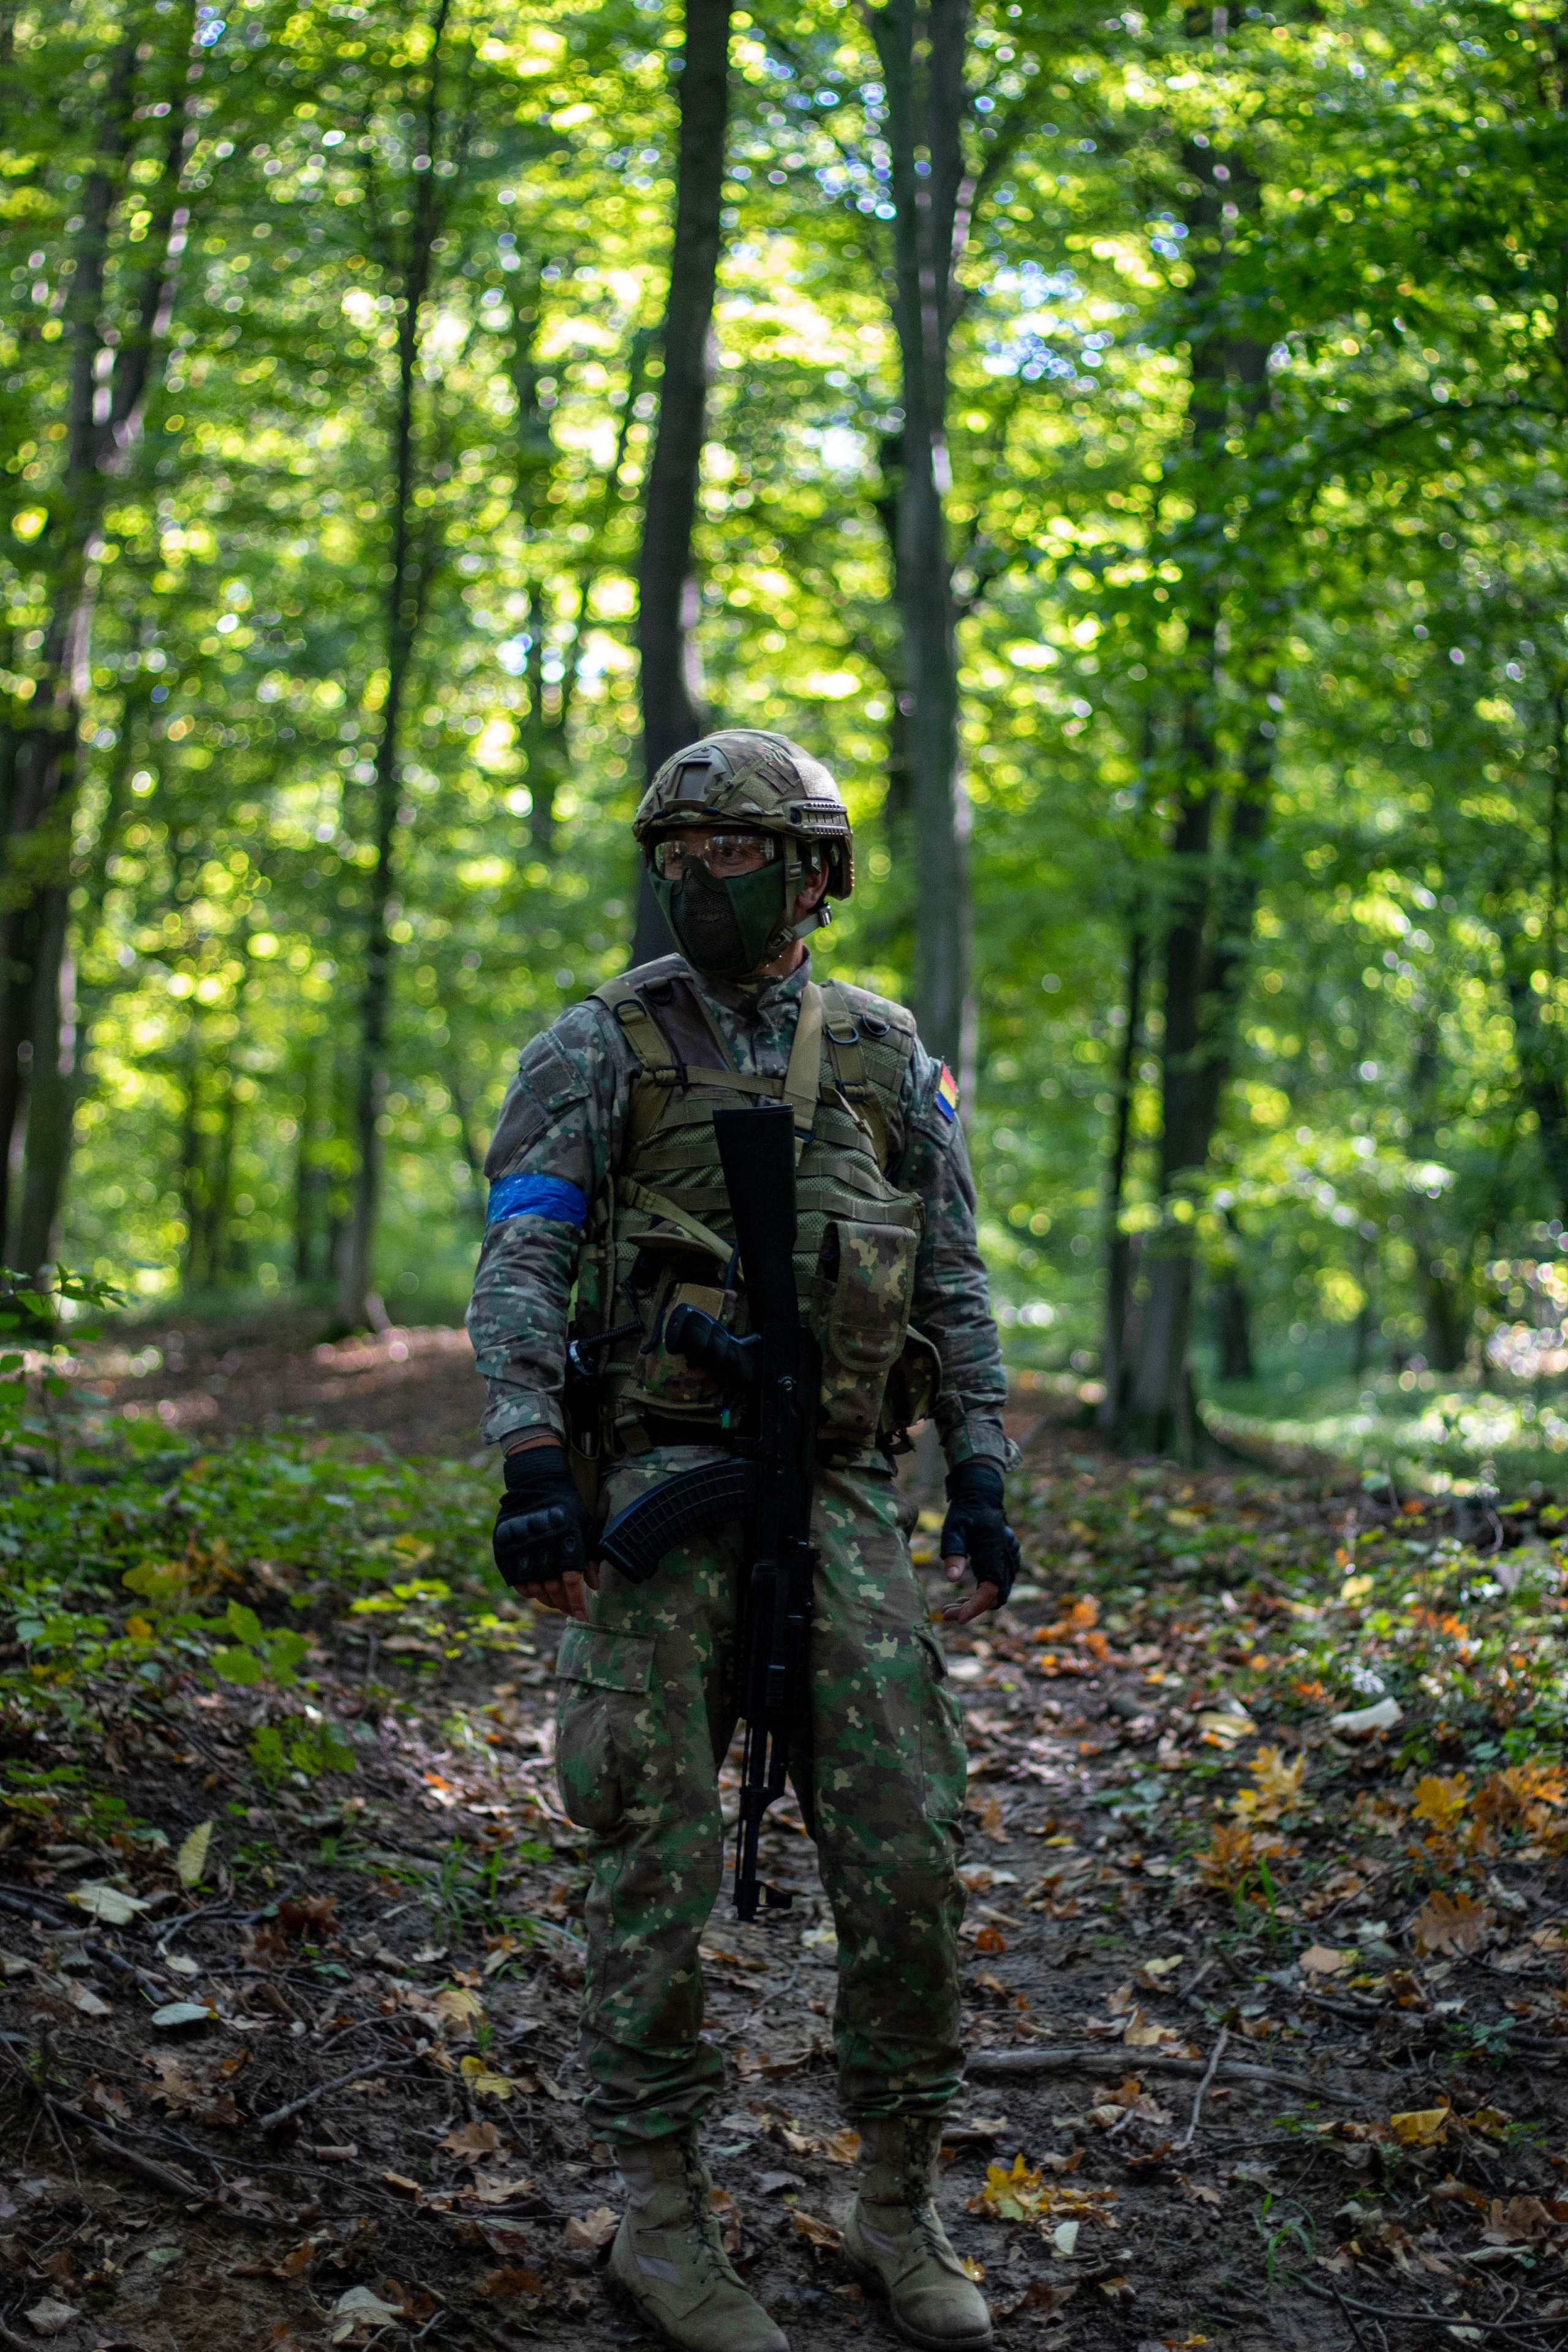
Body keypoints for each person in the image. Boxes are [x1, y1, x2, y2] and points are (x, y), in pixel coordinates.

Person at [467, 730, 1022, 2352]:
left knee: (911, 1849)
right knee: (653, 1846)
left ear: (812, 872)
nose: (697, 875)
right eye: (678, 851)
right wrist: (526, 1462)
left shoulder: (888, 1055)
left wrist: (980, 1469)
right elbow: (524, 1260)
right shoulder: (598, 1047)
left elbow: (956, 1279)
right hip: (656, 1487)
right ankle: (659, 2220)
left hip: (842, 1484)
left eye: (732, 850)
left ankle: (894, 2203)